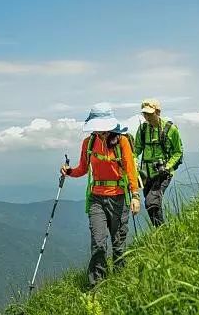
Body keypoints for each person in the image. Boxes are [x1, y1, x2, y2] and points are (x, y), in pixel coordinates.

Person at [61, 102, 140, 287]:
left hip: (119, 197)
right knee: (98, 243)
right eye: (98, 127)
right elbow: (82, 168)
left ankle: (120, 281)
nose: (101, 131)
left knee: (119, 244)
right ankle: (96, 285)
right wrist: (69, 171)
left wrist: (135, 196)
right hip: (97, 198)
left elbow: (130, 170)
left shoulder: (122, 141)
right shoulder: (89, 143)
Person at [134, 98, 183, 227]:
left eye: (150, 113)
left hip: (163, 173)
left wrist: (167, 166)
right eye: (145, 114)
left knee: (152, 202)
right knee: (150, 204)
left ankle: (162, 232)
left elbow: (178, 152)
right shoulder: (143, 129)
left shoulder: (170, 129)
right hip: (146, 173)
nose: (147, 117)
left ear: (158, 112)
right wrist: (132, 160)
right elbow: (137, 149)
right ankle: (161, 232)